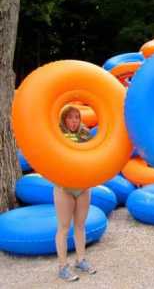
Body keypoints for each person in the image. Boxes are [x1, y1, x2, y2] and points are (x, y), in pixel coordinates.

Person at [55, 105, 95, 282]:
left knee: (80, 225)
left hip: (83, 186)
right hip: (63, 186)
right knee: (64, 227)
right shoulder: (56, 135)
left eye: (77, 117)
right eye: (70, 118)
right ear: (64, 119)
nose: (74, 121)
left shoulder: (86, 135)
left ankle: (81, 260)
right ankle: (63, 266)